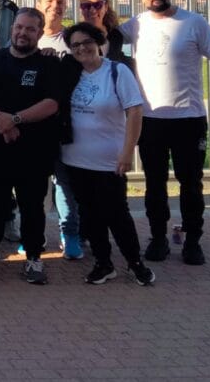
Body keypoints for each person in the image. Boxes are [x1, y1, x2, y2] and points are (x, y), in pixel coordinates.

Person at [121, 0, 210, 265]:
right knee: (154, 184)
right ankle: (158, 239)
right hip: (151, 120)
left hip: (189, 118)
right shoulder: (135, 25)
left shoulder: (194, 22)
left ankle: (193, 241)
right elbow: (100, 38)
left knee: (191, 183)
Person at [0, 8, 64, 286]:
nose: (22, 33)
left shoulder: (49, 64)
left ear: (40, 33)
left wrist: (16, 119)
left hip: (34, 150)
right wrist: (0, 120)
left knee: (32, 207)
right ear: (12, 28)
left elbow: (52, 103)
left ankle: (33, 258)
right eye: (19, 27)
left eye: (30, 29)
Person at [60, 22, 155, 286]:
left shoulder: (117, 71)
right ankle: (103, 263)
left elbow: (135, 111)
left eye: (87, 42)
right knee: (90, 215)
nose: (82, 49)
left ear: (99, 41)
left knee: (117, 214)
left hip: (109, 161)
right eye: (75, 45)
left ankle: (135, 262)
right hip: (75, 159)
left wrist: (127, 152)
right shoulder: (70, 72)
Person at [37, 0, 81, 260]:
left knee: (65, 186)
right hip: (34, 128)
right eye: (50, 1)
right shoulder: (27, 36)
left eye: (60, 1)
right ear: (39, 4)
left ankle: (70, 234)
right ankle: (36, 236)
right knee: (35, 187)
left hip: (64, 125)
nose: (55, 5)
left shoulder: (73, 40)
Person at [76, 0, 133, 68]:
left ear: (105, 7)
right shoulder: (75, 36)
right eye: (86, 6)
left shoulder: (115, 35)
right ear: (80, 8)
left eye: (97, 5)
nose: (92, 10)